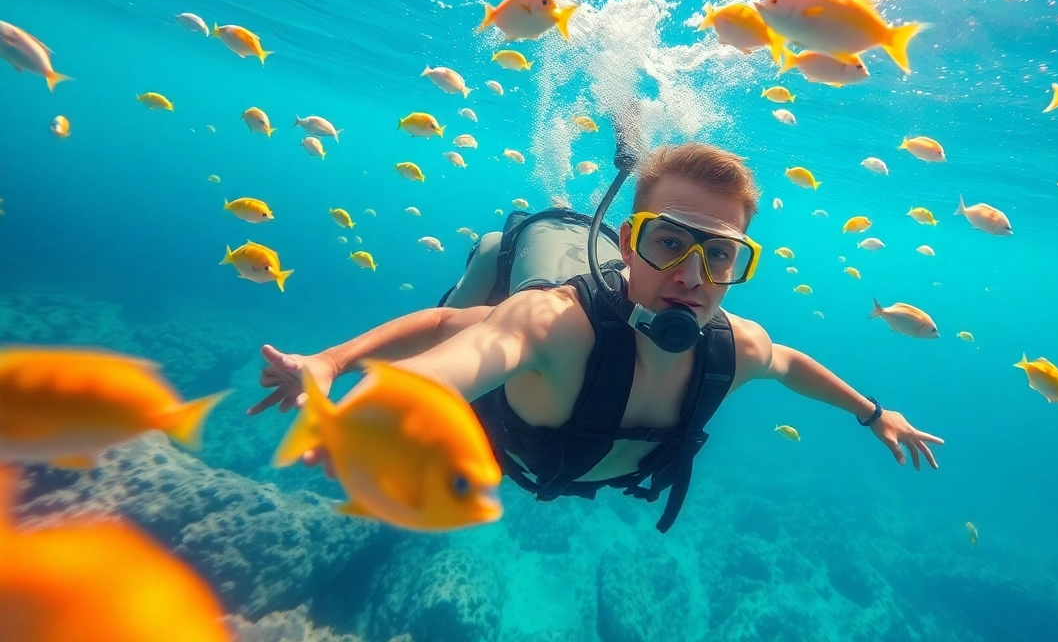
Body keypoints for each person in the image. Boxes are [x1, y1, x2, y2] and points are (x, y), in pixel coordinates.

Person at [249, 139, 943, 532]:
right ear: (629, 243)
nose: (691, 276)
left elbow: (790, 364)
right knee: (483, 300)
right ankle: (501, 247)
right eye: (668, 242)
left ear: (738, 263)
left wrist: (876, 414)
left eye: (721, 255)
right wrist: (347, 380)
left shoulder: (736, 348)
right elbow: (461, 349)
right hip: (523, 336)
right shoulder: (555, 324)